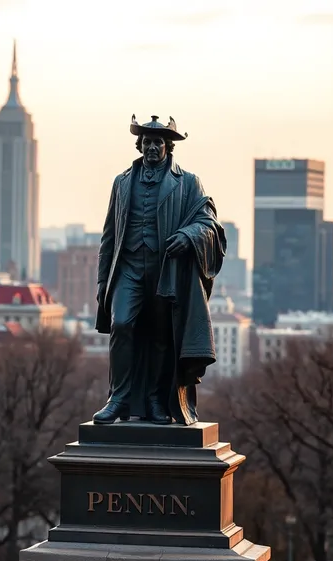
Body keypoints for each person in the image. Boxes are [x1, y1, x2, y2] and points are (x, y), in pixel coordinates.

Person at [94, 115, 226, 425]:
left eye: (159, 142)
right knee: (123, 324)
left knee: (159, 334)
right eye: (147, 141)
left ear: (168, 147)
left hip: (164, 269)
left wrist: (188, 235)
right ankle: (119, 397)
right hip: (128, 268)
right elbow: (109, 236)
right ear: (139, 145)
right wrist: (103, 283)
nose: (152, 147)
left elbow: (209, 223)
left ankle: (155, 399)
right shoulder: (122, 182)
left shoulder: (188, 182)